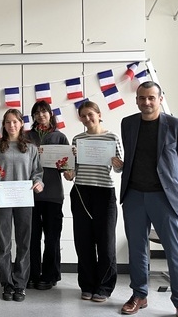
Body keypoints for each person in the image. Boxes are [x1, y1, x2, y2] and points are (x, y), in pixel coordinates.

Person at [119, 82, 178, 317]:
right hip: (134, 195)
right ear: (136, 100)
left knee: (175, 252)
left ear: (160, 99)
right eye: (142, 98)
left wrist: (170, 184)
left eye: (151, 97)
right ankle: (139, 295)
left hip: (165, 198)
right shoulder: (128, 124)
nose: (146, 102)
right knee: (137, 249)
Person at [63, 100, 123, 303]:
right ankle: (87, 285)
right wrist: (69, 173)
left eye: (90, 114)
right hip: (81, 192)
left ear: (99, 114)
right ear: (80, 118)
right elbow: (73, 171)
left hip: (104, 193)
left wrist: (118, 164)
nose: (87, 118)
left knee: (106, 243)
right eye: (83, 115)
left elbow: (119, 169)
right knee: (83, 241)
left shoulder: (112, 137)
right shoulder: (77, 139)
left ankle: (104, 287)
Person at [0, 108, 44, 302]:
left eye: (15, 122)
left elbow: (37, 172)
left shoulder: (31, 148)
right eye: (8, 122)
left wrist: (38, 183)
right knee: (4, 243)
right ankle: (7, 283)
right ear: (3, 125)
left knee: (24, 242)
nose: (11, 125)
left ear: (21, 124)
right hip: (3, 199)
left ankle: (20, 283)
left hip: (24, 199)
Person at [26, 101, 69, 290]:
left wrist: (65, 164)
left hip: (53, 195)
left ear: (50, 114)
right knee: (32, 238)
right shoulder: (27, 137)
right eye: (36, 112)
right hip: (30, 195)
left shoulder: (59, 137)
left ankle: (51, 275)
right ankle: (32, 274)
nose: (40, 115)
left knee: (52, 238)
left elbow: (67, 167)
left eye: (44, 111)